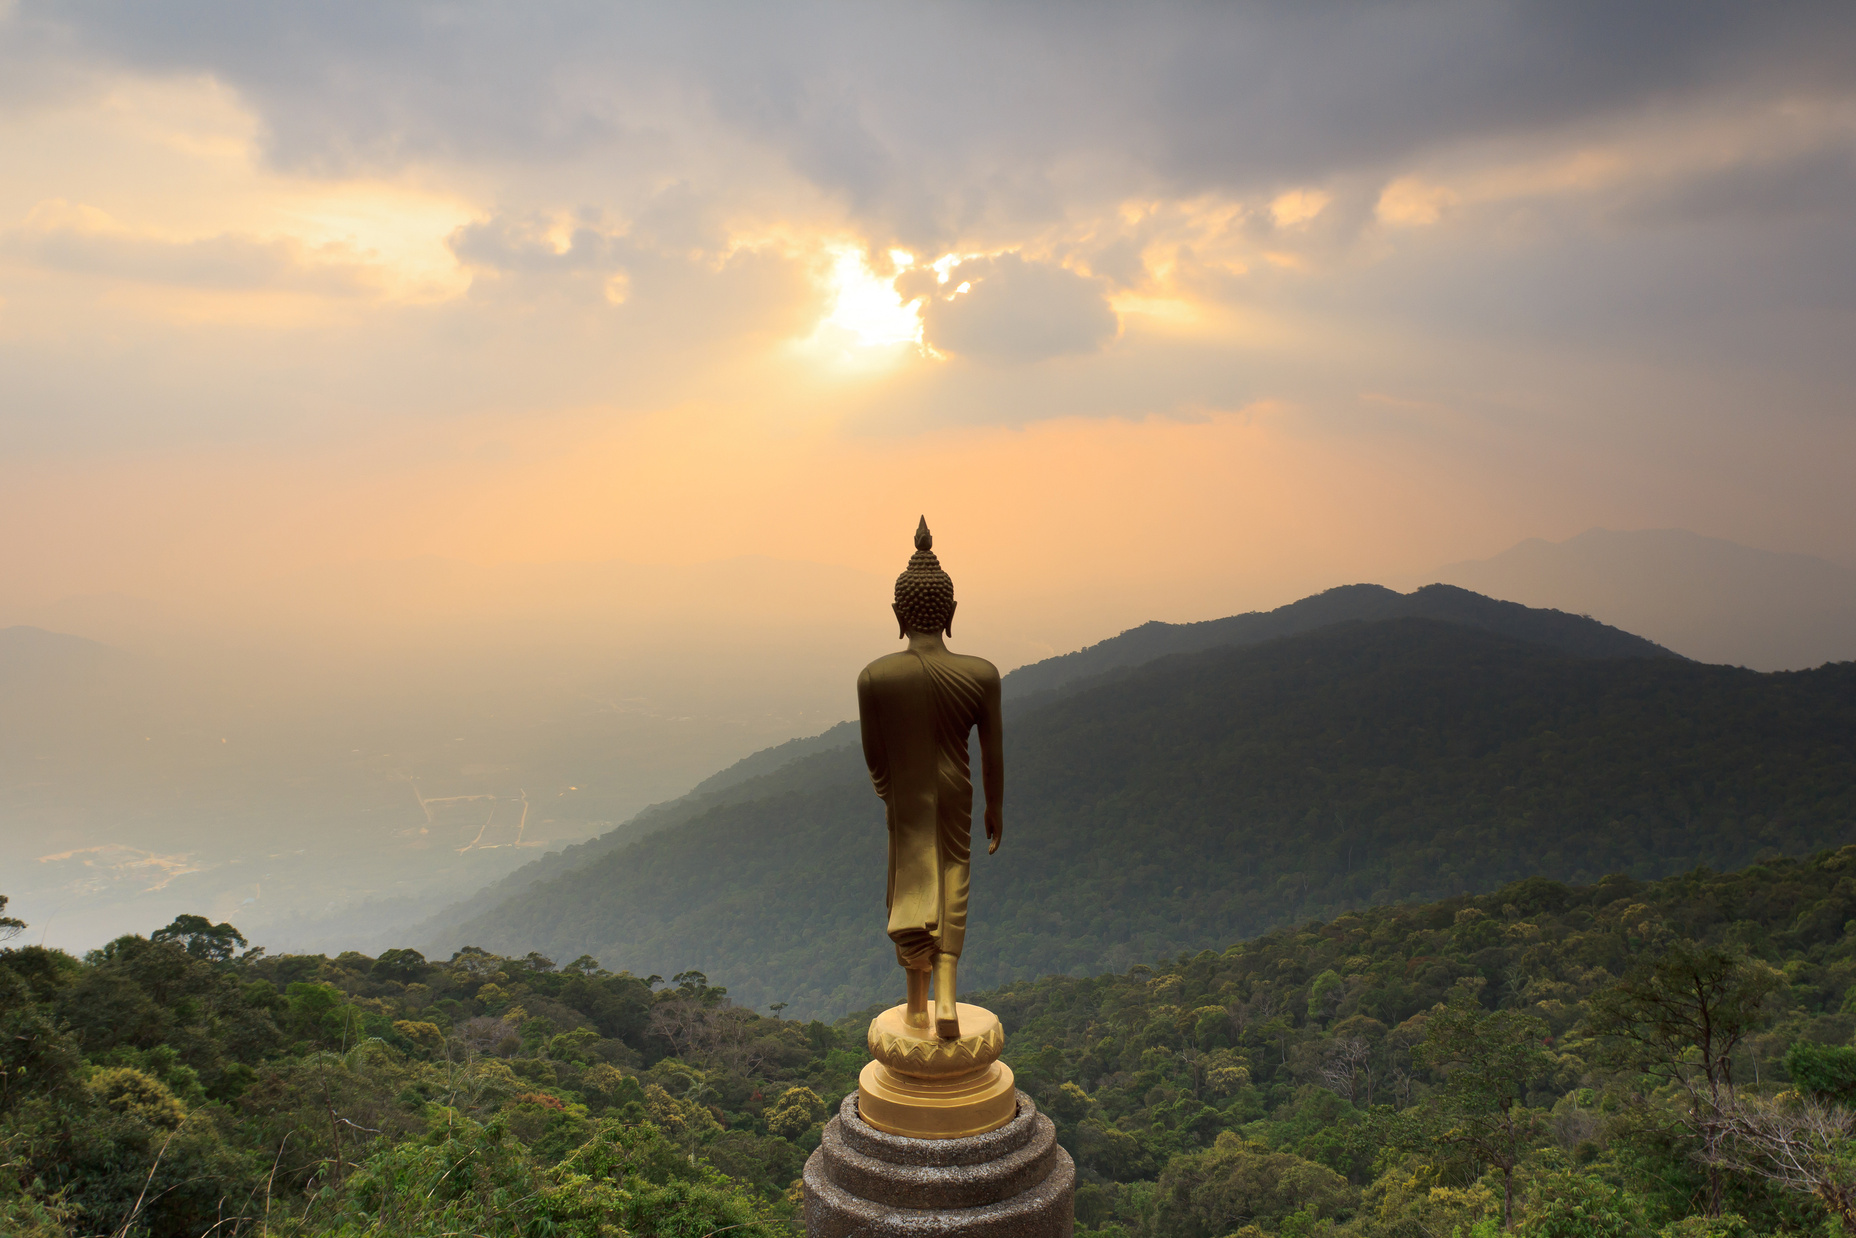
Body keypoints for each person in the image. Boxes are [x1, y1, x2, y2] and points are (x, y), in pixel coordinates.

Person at [856, 517, 1004, 1038]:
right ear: (951, 613)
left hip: (907, 797)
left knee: (908, 885)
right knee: (953, 875)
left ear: (899, 614)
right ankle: (947, 991)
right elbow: (992, 756)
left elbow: (875, 755)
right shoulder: (981, 674)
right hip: (958, 792)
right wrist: (995, 808)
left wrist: (891, 794)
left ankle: (916, 1003)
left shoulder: (874, 677)